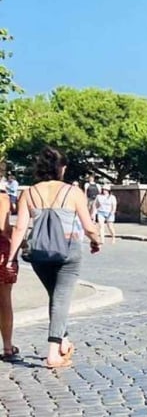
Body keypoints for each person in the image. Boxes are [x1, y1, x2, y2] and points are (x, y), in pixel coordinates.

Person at [6, 147, 104, 369]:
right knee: (61, 299)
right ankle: (53, 352)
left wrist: (11, 258)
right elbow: (88, 226)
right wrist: (96, 240)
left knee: (56, 296)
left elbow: (20, 228)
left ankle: (64, 341)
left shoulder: (28, 193)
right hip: (68, 251)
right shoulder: (73, 192)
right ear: (62, 168)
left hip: (39, 253)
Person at [0, 183, 16, 361]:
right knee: (4, 300)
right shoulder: (2, 199)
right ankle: (7, 346)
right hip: (1, 251)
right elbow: (3, 228)